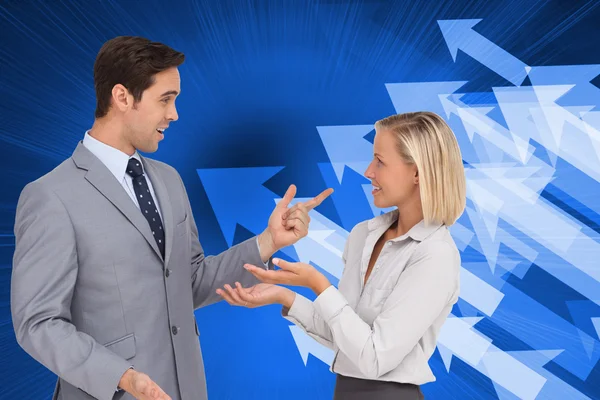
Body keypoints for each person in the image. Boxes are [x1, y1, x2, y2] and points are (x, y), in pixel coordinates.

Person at [10, 36, 332, 400]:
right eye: (166, 99)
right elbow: (38, 324)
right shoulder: (51, 196)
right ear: (121, 97)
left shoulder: (168, 180)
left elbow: (189, 282)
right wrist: (124, 377)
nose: (174, 114)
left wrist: (268, 242)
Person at [217, 111, 466, 400]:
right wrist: (283, 296)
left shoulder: (434, 255)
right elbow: (344, 334)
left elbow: (374, 357)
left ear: (417, 172)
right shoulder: (363, 235)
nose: (369, 171)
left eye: (380, 161)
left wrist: (318, 285)